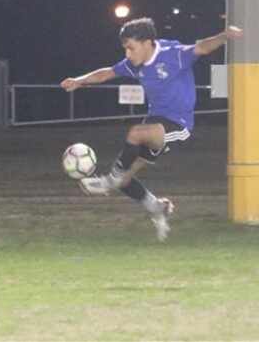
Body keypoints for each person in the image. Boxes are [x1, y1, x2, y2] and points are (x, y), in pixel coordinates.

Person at [60, 17, 243, 241]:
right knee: (126, 179)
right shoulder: (133, 64)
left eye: (131, 48)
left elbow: (202, 47)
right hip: (155, 123)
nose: (127, 54)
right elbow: (107, 72)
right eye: (125, 49)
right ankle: (157, 207)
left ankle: (109, 180)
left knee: (135, 134)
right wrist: (79, 80)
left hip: (179, 125)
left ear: (147, 43)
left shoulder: (173, 54)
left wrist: (224, 36)